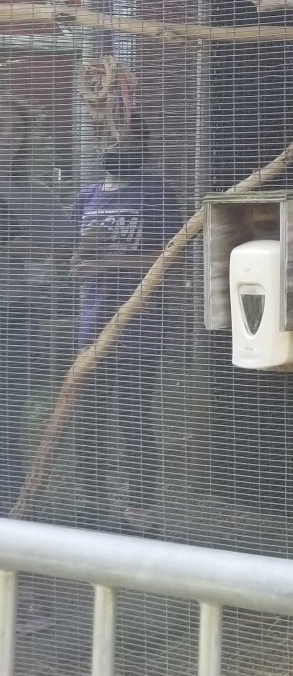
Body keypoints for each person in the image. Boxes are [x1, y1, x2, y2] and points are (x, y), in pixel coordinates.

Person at [69, 136, 179, 532]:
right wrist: (81, 251)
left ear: (142, 145)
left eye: (123, 139)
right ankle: (92, 503)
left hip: (139, 325)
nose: (113, 147)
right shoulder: (86, 195)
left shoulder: (156, 191)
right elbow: (73, 253)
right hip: (92, 322)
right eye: (106, 139)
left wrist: (107, 262)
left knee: (133, 418)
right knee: (88, 419)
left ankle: (140, 511)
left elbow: (170, 257)